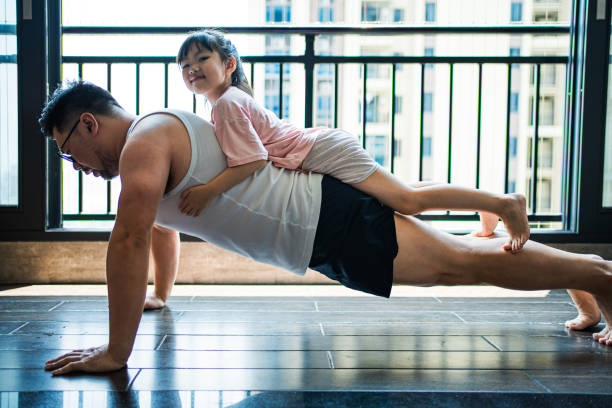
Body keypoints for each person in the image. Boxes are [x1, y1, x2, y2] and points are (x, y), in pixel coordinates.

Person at [39, 81, 612, 377]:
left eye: (70, 153)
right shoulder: (150, 150)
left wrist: (118, 351)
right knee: (461, 259)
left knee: (458, 264)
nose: (78, 167)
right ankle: (587, 280)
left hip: (326, 218)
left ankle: (598, 277)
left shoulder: (144, 139)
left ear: (88, 123)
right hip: (317, 228)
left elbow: (130, 238)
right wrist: (160, 295)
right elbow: (160, 232)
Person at [176, 30, 530, 254]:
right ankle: (485, 202)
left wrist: (209, 191)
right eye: (185, 64)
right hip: (319, 146)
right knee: (401, 190)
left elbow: (251, 161)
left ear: (228, 64)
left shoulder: (226, 104)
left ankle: (504, 203)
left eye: (202, 58)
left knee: (405, 200)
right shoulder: (229, 100)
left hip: (321, 151)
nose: (192, 68)